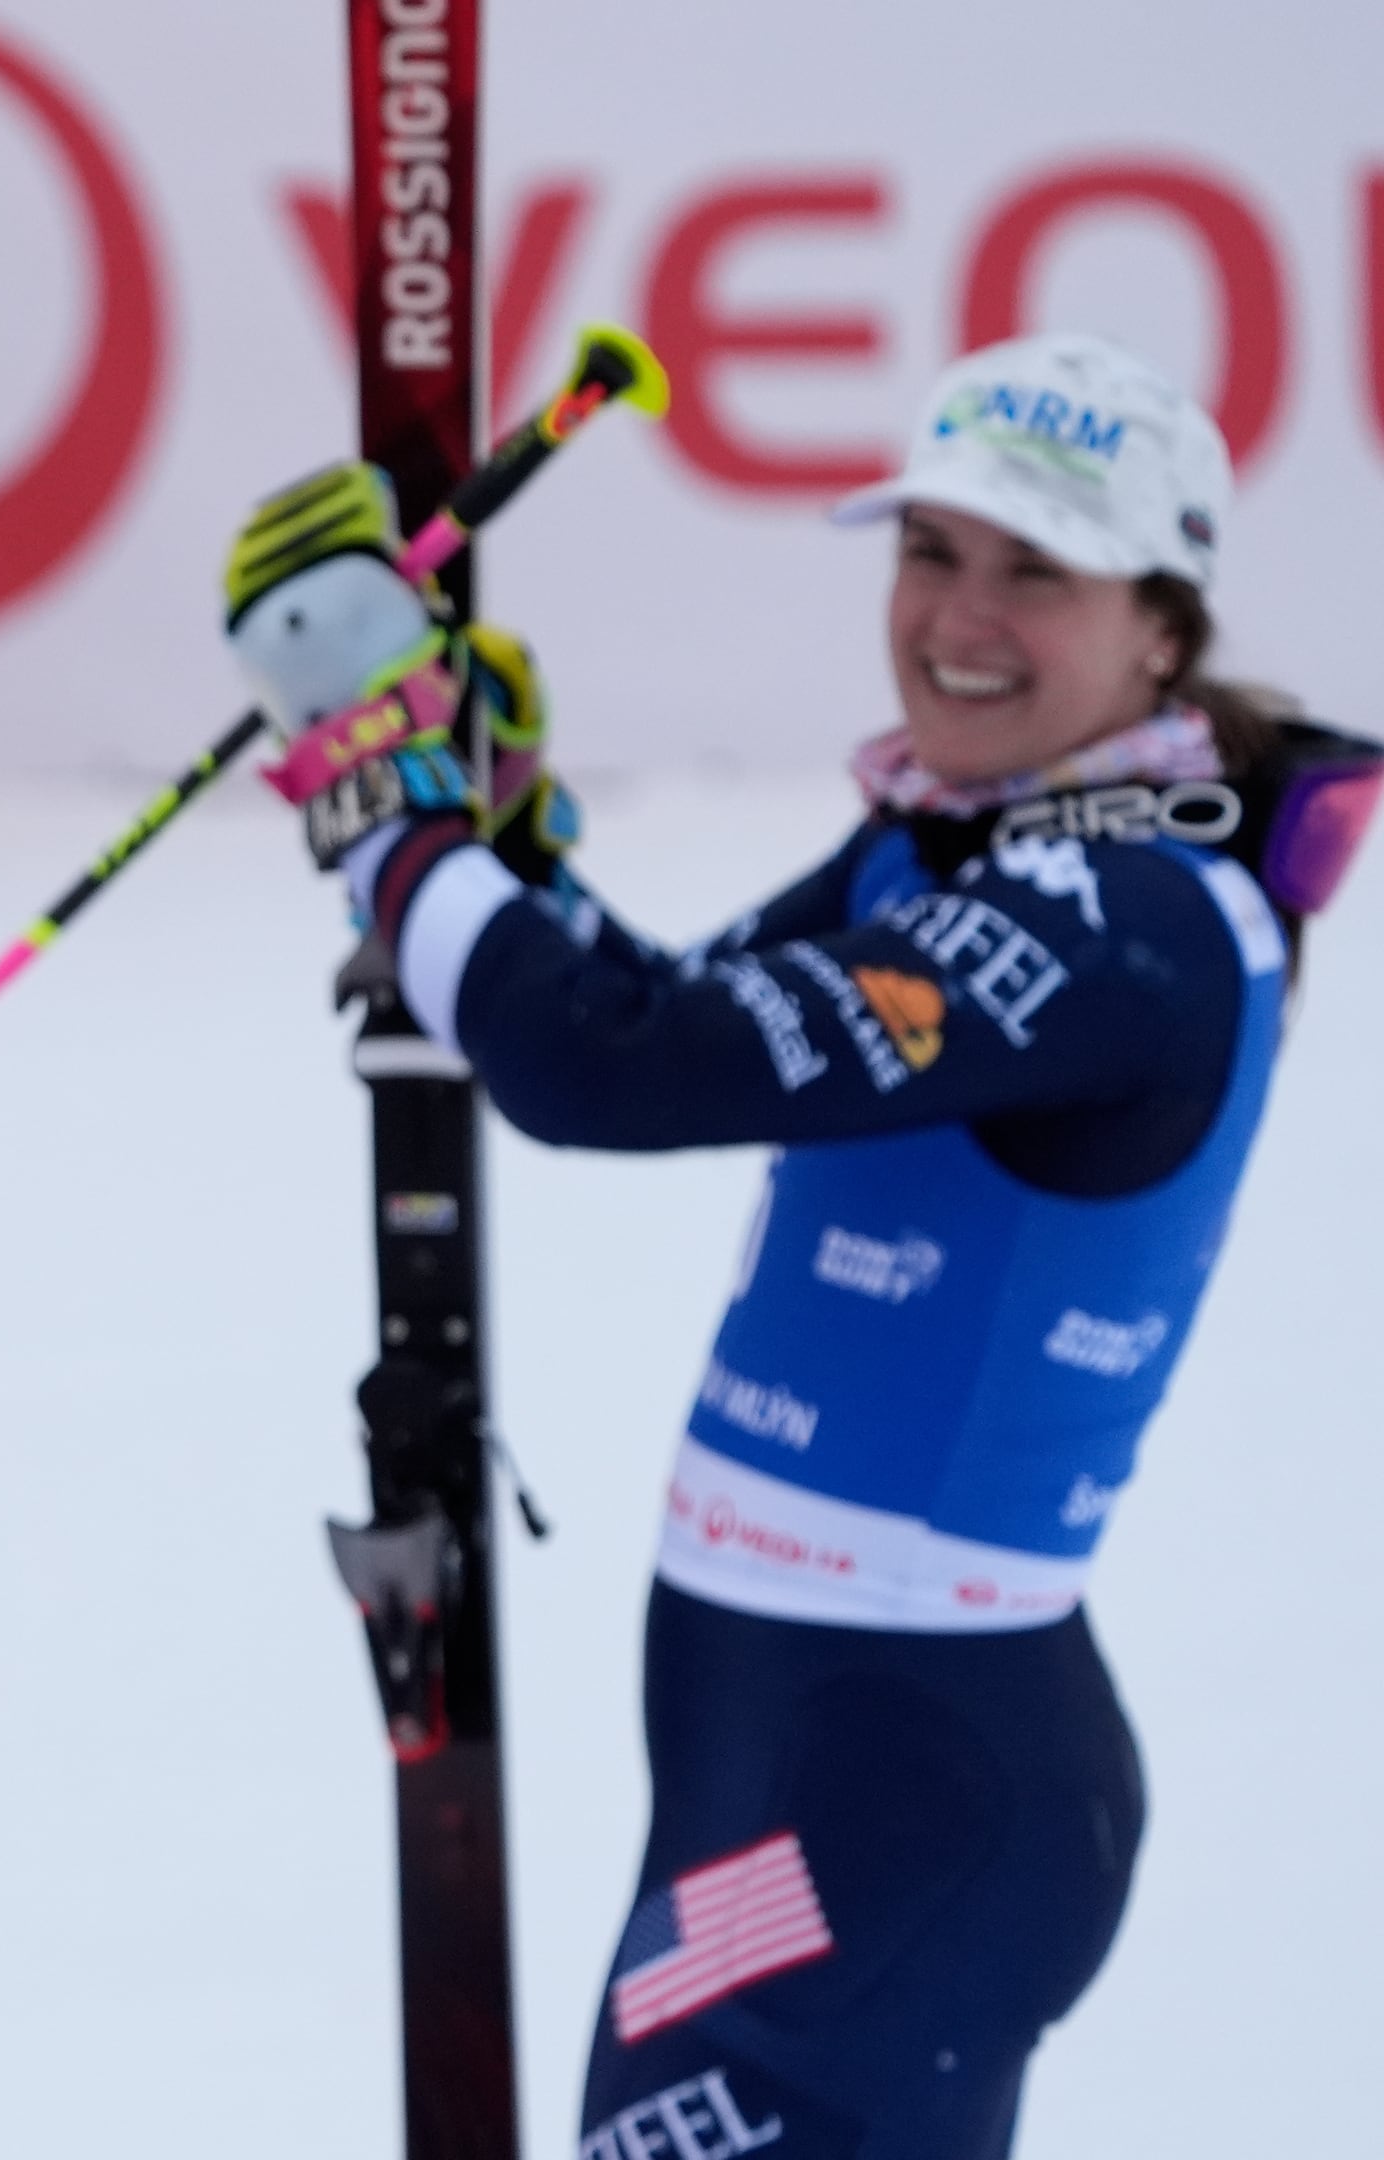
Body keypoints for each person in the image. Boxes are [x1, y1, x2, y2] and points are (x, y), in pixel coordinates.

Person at [223, 333, 1377, 2154]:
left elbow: (612, 1067)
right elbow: (683, 1010)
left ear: (1164, 626)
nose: (958, 615)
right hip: (801, 1769)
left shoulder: (1129, 922)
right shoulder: (963, 843)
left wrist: (390, 799)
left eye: (1034, 571)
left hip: (898, 1789)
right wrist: (492, 829)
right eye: (931, 550)